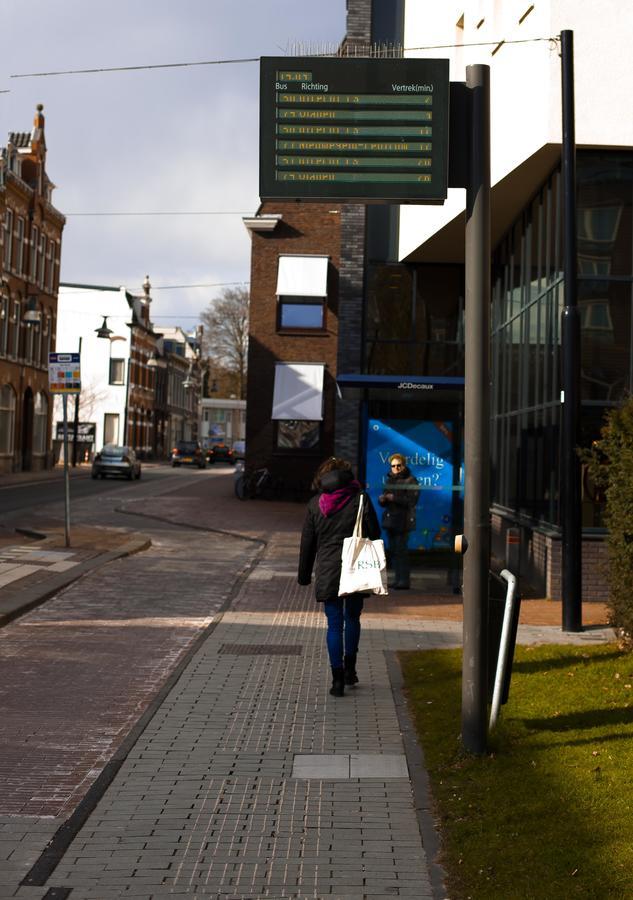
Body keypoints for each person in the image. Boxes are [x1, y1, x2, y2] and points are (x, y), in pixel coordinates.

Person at [297, 456, 381, 697]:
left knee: (334, 625)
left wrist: (304, 575)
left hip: (328, 570)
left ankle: (336, 680)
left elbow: (308, 543)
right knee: (352, 618)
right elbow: (374, 532)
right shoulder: (360, 499)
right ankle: (350, 670)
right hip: (356, 568)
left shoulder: (316, 504)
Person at [378, 453, 419, 590]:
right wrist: (383, 499)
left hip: (403, 520)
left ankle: (404, 580)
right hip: (391, 519)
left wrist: (393, 498)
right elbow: (385, 500)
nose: (396, 468)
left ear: (403, 465)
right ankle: (397, 579)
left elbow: (412, 501)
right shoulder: (389, 480)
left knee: (401, 550)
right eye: (393, 466)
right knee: (394, 550)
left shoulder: (411, 480)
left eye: (398, 465)